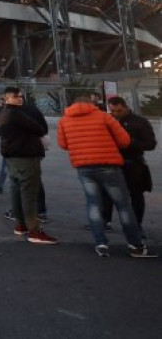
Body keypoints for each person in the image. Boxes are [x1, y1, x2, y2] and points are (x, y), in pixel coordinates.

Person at [57, 97, 156, 258]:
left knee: (93, 204)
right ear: (92, 104)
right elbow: (124, 141)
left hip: (83, 167)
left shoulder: (64, 120)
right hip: (108, 165)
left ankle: (101, 243)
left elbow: (63, 144)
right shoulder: (104, 117)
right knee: (123, 205)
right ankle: (135, 245)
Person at [0, 87, 56, 244]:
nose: (20, 99)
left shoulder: (3, 113)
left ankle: (20, 224)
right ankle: (34, 230)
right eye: (16, 97)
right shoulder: (17, 114)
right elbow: (40, 128)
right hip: (26, 156)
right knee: (29, 193)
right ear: (7, 98)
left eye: (21, 96)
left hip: (11, 157)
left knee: (16, 190)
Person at [102, 96, 157, 236]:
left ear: (125, 107)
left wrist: (129, 142)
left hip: (133, 163)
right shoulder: (108, 121)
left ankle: (137, 225)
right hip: (113, 162)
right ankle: (105, 221)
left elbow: (151, 144)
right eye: (113, 111)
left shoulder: (139, 122)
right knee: (108, 193)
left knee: (136, 195)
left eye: (119, 110)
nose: (116, 114)